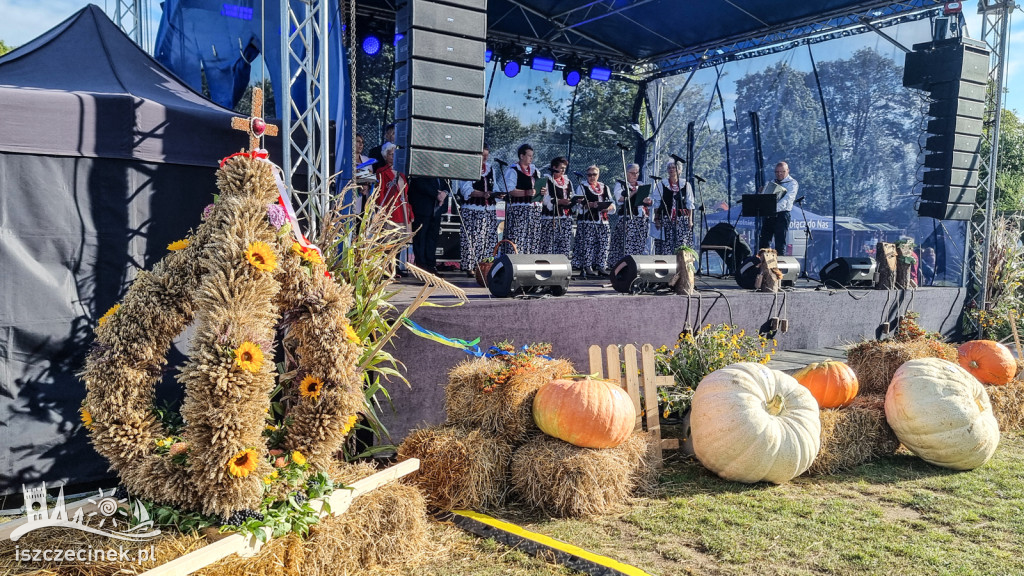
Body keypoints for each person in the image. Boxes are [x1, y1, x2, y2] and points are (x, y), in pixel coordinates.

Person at [458, 146, 500, 277]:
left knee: (488, 238)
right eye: (483, 155)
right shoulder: (468, 168)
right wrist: (483, 194)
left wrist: (498, 194)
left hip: (488, 210)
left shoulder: (490, 168)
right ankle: (470, 266)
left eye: (487, 155)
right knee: (472, 238)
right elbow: (466, 190)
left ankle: (485, 265)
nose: (485, 158)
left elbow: (495, 186)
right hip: (473, 210)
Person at [571, 165, 615, 277]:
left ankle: (601, 266)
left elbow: (612, 204)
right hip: (588, 221)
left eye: (594, 174)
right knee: (588, 244)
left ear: (598, 175)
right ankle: (587, 266)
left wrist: (608, 207)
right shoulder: (582, 187)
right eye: (589, 175)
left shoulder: (604, 187)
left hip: (603, 221)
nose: (591, 177)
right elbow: (579, 205)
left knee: (604, 243)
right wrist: (590, 204)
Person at [374, 142, 411, 274]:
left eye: (395, 153)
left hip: (402, 210)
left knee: (399, 241)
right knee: (387, 242)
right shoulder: (381, 172)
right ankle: (386, 269)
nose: (393, 156)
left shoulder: (401, 172)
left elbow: (406, 192)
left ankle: (394, 268)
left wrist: (409, 210)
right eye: (390, 154)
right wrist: (382, 210)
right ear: (385, 156)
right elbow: (380, 192)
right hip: (390, 210)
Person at [608, 163, 652, 268]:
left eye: (637, 173)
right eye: (632, 173)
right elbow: (620, 199)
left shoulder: (641, 183)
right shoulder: (621, 184)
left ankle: (636, 264)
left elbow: (645, 200)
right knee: (626, 242)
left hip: (641, 217)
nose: (635, 175)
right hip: (628, 217)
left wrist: (648, 200)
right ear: (626, 173)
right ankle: (624, 266)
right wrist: (634, 191)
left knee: (640, 241)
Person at [502, 144, 543, 254]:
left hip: (534, 209)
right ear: (521, 156)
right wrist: (527, 192)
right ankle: (515, 261)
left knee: (532, 237)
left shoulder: (535, 171)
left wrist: (542, 192)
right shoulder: (513, 170)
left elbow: (539, 188)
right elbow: (510, 190)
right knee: (518, 236)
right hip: (519, 209)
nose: (531, 158)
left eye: (532, 156)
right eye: (529, 156)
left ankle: (530, 261)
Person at [408, 175, 450, 275]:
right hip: (423, 208)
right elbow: (420, 184)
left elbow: (447, 183)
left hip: (437, 209)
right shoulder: (421, 166)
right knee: (421, 238)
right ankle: (422, 267)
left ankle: (431, 266)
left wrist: (445, 193)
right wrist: (437, 194)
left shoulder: (440, 169)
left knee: (432, 238)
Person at [652, 159, 694, 255]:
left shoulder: (686, 185)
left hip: (681, 219)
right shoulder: (662, 184)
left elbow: (689, 203)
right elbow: (657, 203)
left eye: (674, 168)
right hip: (666, 218)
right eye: (669, 168)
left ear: (679, 170)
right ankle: (665, 267)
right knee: (666, 244)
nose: (671, 170)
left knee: (681, 244)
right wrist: (657, 218)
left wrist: (690, 220)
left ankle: (681, 267)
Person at [538, 156, 575, 258]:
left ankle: (562, 265)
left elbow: (572, 195)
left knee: (564, 243)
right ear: (554, 167)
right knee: (548, 243)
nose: (563, 170)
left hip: (566, 217)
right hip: (551, 217)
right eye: (561, 168)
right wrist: (559, 201)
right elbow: (545, 199)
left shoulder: (568, 181)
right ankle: (546, 265)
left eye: (564, 168)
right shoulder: (547, 180)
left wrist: (573, 201)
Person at [758, 161, 798, 253]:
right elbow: (766, 198)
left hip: (782, 215)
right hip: (769, 215)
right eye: (777, 172)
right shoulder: (772, 182)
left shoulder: (792, 183)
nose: (779, 174)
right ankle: (763, 263)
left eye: (782, 172)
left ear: (788, 171)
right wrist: (762, 192)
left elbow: (787, 199)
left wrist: (773, 209)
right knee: (764, 242)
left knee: (780, 243)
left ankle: (779, 264)